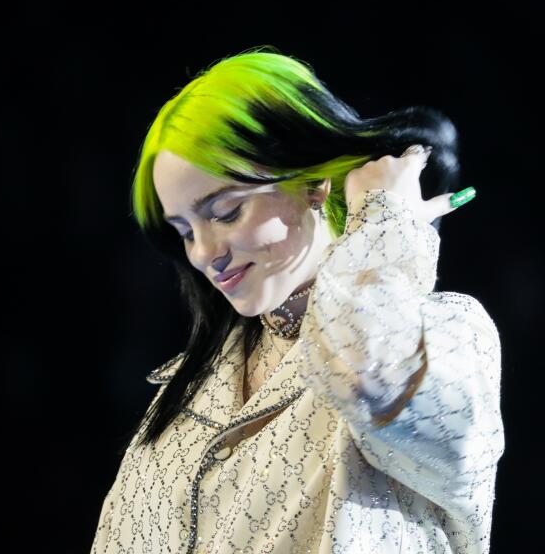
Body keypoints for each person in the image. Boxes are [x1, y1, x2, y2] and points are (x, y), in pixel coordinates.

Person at [89, 46, 504, 554]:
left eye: (224, 212)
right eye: (184, 231)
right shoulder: (184, 396)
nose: (205, 254)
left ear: (314, 182)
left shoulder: (449, 335)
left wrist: (383, 222)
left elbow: (371, 376)